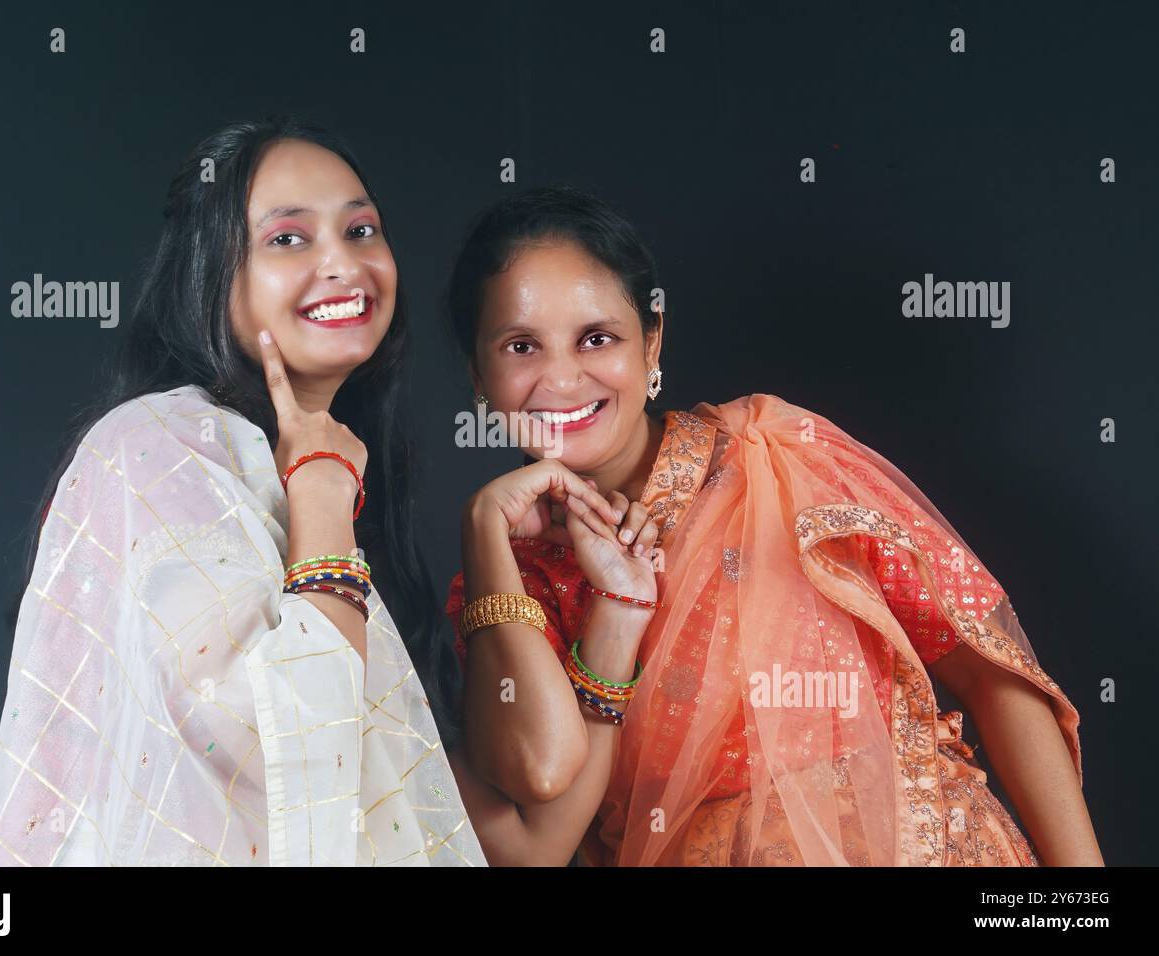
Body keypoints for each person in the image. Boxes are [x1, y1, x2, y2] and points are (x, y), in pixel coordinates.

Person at [443, 185, 1101, 866]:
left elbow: (993, 673)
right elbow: (536, 792)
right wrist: (488, 529)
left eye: (597, 338)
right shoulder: (509, 584)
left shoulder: (776, 455)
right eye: (522, 346)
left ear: (653, 341)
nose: (561, 379)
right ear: (478, 377)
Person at [0, 117, 485, 866]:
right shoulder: (157, 444)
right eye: (288, 238)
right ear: (209, 275)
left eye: (361, 229)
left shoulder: (319, 462)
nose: (343, 264)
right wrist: (319, 492)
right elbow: (259, 742)